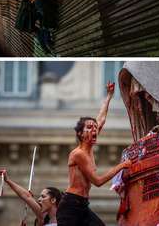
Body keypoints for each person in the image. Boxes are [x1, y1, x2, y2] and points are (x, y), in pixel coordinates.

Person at [56, 82, 131, 226]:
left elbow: (101, 119)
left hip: (82, 205)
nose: (94, 130)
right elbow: (98, 181)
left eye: (95, 128)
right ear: (80, 134)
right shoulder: (79, 154)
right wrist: (122, 165)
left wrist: (109, 95)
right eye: (90, 128)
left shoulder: (89, 146)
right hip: (70, 206)